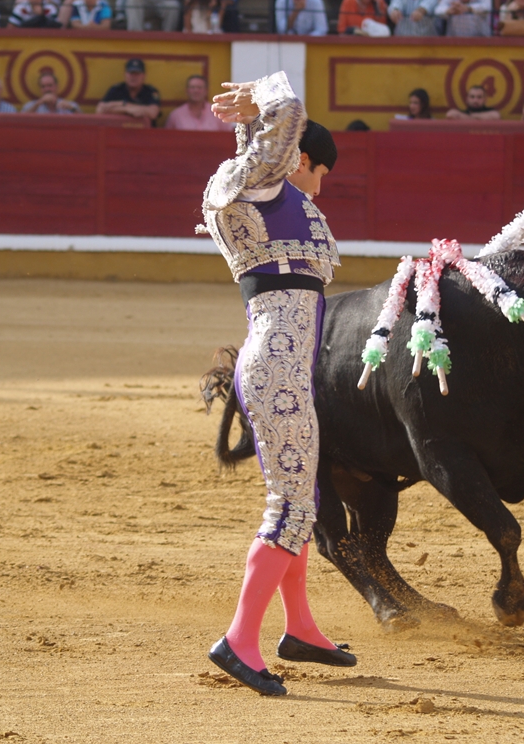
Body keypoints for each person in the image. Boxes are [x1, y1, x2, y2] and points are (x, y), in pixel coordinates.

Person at [201, 71, 356, 697]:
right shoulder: (244, 185)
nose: (315, 178)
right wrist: (261, 94)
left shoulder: (263, 188)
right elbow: (285, 116)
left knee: (301, 496)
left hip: (287, 366)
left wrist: (253, 112)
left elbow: (277, 128)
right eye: (311, 164)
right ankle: (239, 639)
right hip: (276, 366)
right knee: (291, 506)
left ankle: (301, 630)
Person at [96, 58, 161, 126]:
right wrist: (126, 107)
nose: (133, 77)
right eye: (131, 73)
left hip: (145, 133)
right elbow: (100, 109)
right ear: (125, 74)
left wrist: (117, 106)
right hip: (118, 131)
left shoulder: (150, 91)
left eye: (137, 74)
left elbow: (153, 113)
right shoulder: (116, 89)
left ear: (144, 76)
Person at [165, 75, 234, 131]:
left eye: (199, 88)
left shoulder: (218, 113)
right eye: (192, 87)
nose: (196, 91)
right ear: (187, 90)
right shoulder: (176, 115)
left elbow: (229, 137)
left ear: (206, 91)